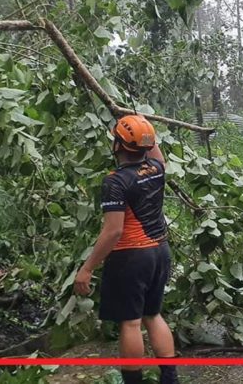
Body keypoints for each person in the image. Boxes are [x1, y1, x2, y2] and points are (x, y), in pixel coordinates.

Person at [74, 114, 179, 384]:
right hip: (160, 252)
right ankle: (170, 378)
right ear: (146, 146)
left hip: (131, 256)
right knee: (153, 315)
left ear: (118, 146)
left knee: (131, 323)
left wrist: (87, 269)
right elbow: (155, 151)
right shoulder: (157, 169)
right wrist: (142, 123)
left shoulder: (116, 182)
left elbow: (113, 231)